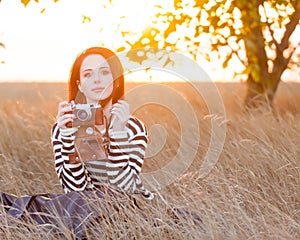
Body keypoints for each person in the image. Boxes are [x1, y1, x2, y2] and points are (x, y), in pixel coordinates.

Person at [51, 46, 154, 200]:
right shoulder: (64, 127)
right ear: (80, 85)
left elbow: (122, 191)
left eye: (105, 72)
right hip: (81, 214)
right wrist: (68, 139)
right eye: (88, 74)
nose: (97, 79)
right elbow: (74, 192)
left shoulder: (134, 128)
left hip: (120, 214)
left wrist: (119, 133)